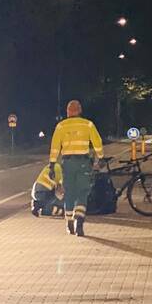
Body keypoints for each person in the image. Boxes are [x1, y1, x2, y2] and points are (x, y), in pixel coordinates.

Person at [48, 99, 104, 236]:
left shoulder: (61, 126)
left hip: (67, 164)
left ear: (68, 112)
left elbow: (55, 147)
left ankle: (69, 223)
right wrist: (101, 157)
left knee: (69, 193)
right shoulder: (88, 125)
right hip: (83, 163)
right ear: (80, 111)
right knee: (82, 192)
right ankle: (79, 223)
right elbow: (97, 142)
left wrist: (52, 164)